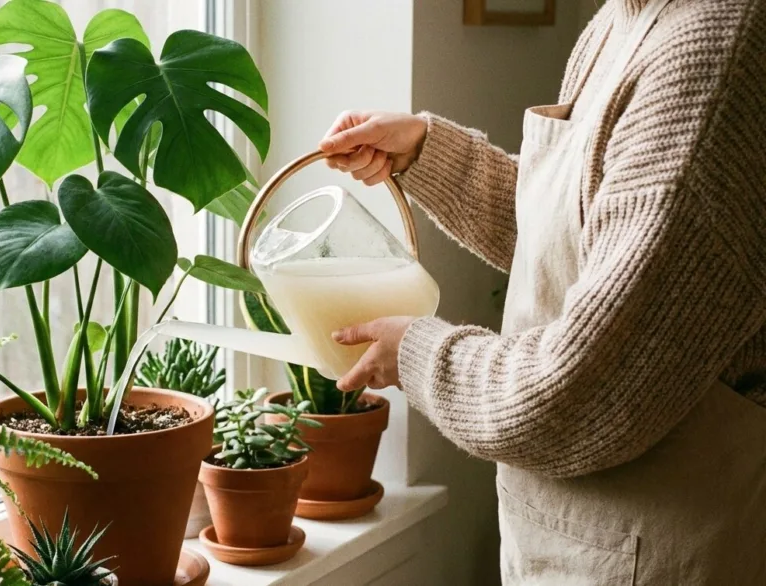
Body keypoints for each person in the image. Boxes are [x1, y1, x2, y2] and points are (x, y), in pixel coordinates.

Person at [320, 0, 766, 583]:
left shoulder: (719, 52)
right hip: (571, 543)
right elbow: (594, 246)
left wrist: (418, 354)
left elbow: (582, 392)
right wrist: (429, 153)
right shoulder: (619, 20)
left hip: (663, 555)